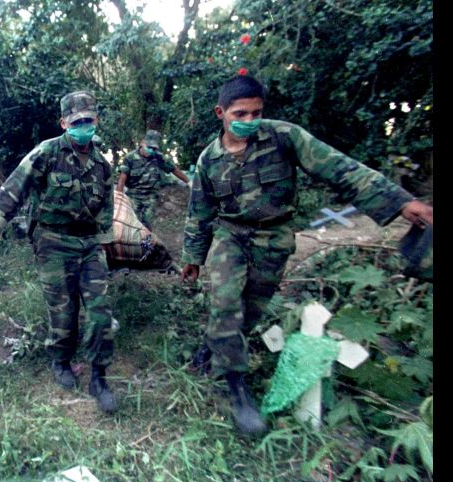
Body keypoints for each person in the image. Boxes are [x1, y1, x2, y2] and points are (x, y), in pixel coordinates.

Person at [181, 75, 433, 435]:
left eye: (256, 113)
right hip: (231, 235)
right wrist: (193, 256)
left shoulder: (285, 137)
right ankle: (236, 385)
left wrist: (400, 202)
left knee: (249, 311)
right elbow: (200, 211)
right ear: (220, 113)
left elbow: (339, 168)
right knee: (224, 303)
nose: (249, 121)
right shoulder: (209, 160)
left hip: (275, 238)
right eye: (241, 114)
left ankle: (215, 347)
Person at [0, 90, 118, 413]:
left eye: (89, 120)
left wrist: (106, 251)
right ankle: (61, 360)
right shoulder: (46, 154)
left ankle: (98, 376)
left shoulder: (103, 166)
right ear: (64, 123)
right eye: (77, 122)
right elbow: (10, 193)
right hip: (52, 242)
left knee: (100, 310)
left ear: (97, 120)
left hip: (89, 244)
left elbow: (106, 210)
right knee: (63, 311)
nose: (84, 126)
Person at [116, 130, 191, 230]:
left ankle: (146, 244)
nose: (151, 150)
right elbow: (122, 177)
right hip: (134, 195)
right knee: (132, 223)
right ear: (142, 143)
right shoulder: (130, 158)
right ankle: (134, 243)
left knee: (147, 223)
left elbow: (174, 169)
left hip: (151, 196)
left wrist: (189, 182)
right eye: (149, 147)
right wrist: (118, 196)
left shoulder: (158, 157)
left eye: (154, 148)